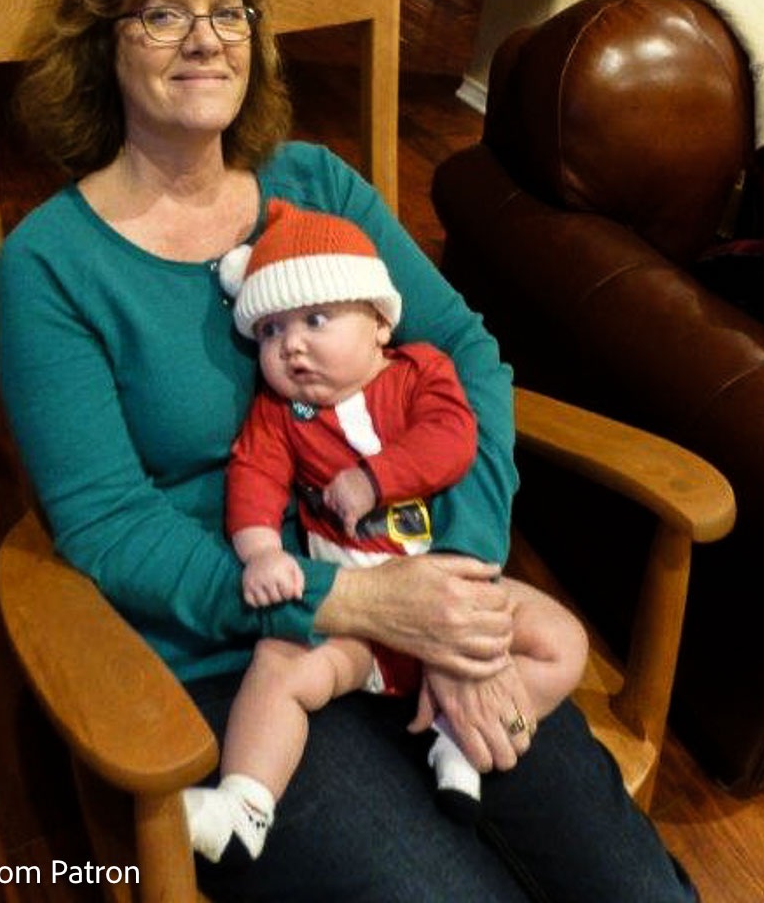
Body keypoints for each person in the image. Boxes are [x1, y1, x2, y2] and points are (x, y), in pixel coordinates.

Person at [0, 0, 699, 902]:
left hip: (420, 578)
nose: (205, 38)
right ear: (103, 45)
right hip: (239, 654)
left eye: (228, 11)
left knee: (631, 885)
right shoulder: (52, 265)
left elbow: (464, 355)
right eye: (162, 13)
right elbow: (108, 525)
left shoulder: (316, 188)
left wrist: (451, 583)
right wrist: (358, 602)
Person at [183, 199, 589, 865]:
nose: (293, 345)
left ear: (378, 322)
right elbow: (252, 478)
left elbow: (453, 440)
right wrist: (260, 551)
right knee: (279, 668)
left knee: (561, 642)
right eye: (270, 331)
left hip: (451, 594)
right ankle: (247, 803)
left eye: (317, 319)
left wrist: (376, 479)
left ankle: (459, 741)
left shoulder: (418, 373)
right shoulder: (280, 415)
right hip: (355, 621)